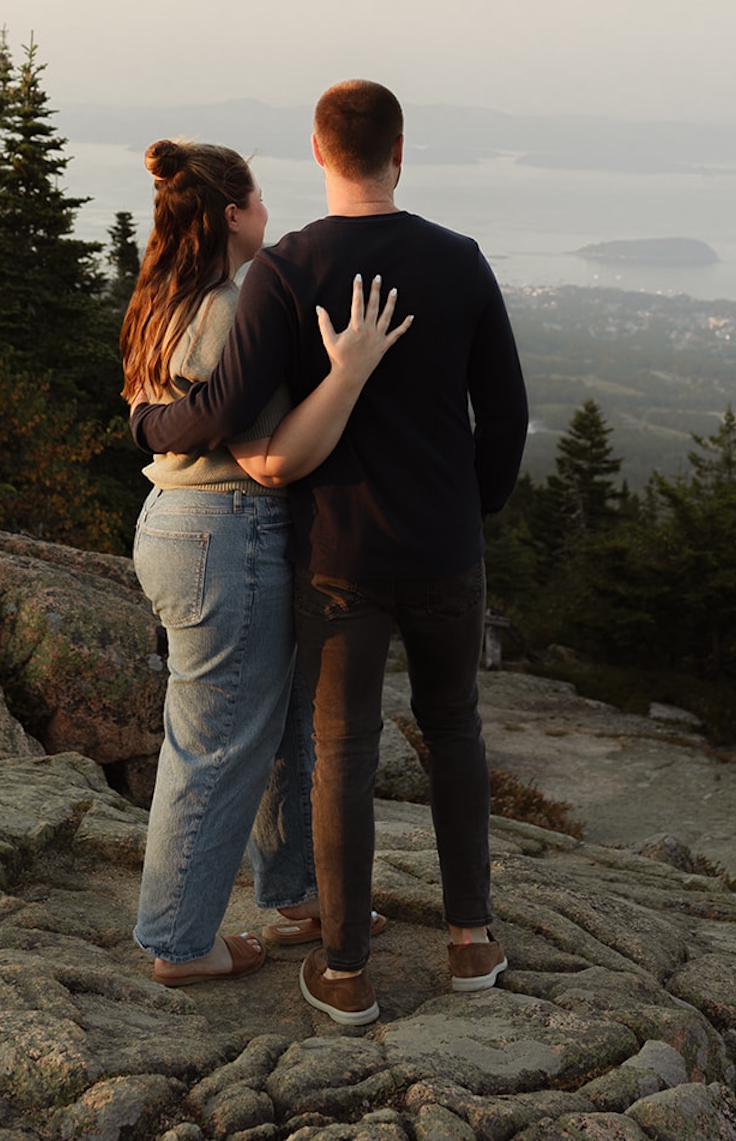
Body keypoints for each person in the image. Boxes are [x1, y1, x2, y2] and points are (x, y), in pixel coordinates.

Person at [130, 83, 530, 1024]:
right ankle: (471, 944)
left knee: (341, 749)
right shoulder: (460, 262)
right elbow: (504, 416)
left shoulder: (287, 268)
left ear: (318, 151)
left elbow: (229, 414)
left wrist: (149, 422)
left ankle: (345, 970)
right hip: (443, 550)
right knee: (456, 730)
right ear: (402, 148)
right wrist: (470, 514)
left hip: (336, 556)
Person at [120, 138, 409, 987]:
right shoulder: (228, 309)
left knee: (280, 728)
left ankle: (298, 895)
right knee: (216, 747)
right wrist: (350, 372)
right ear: (233, 214)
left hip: (180, 523)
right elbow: (266, 457)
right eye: (259, 199)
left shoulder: (160, 299)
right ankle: (179, 942)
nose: (270, 214)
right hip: (229, 532)